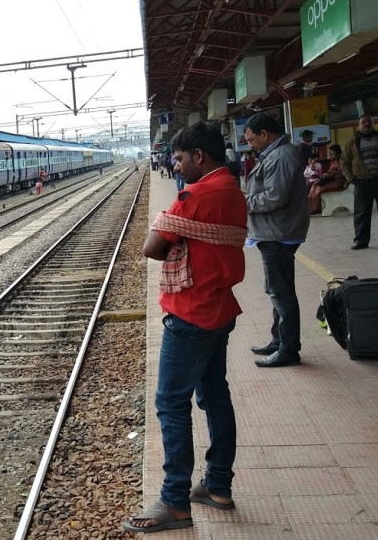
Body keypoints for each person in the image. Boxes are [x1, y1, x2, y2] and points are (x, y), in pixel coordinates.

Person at [123, 122, 246, 534]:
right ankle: (217, 486)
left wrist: (172, 231)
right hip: (220, 309)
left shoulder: (197, 194)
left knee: (171, 405)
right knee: (215, 396)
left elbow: (152, 247)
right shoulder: (231, 187)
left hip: (192, 313)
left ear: (199, 156)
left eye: (178, 157)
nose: (174, 164)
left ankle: (175, 502)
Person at [243, 113, 310, 368]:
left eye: (251, 139)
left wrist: (244, 203)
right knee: (276, 290)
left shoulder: (281, 157)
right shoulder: (276, 154)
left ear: (264, 134)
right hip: (275, 232)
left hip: (279, 233)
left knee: (281, 293)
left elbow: (275, 197)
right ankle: (278, 339)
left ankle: (289, 349)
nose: (250, 144)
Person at [341, 114, 378, 250]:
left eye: (369, 121)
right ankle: (360, 241)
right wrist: (351, 178)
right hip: (361, 182)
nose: (366, 123)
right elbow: (344, 161)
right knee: (361, 212)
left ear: (372, 124)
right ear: (359, 125)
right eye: (363, 122)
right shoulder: (353, 142)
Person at [308, 144, 347, 215]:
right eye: (330, 153)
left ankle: (315, 209)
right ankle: (312, 208)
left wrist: (329, 175)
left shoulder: (342, 163)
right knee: (315, 185)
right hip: (333, 181)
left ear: (338, 154)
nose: (330, 155)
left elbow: (340, 175)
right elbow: (329, 172)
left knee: (318, 188)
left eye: (332, 154)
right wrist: (326, 174)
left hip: (339, 183)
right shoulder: (334, 162)